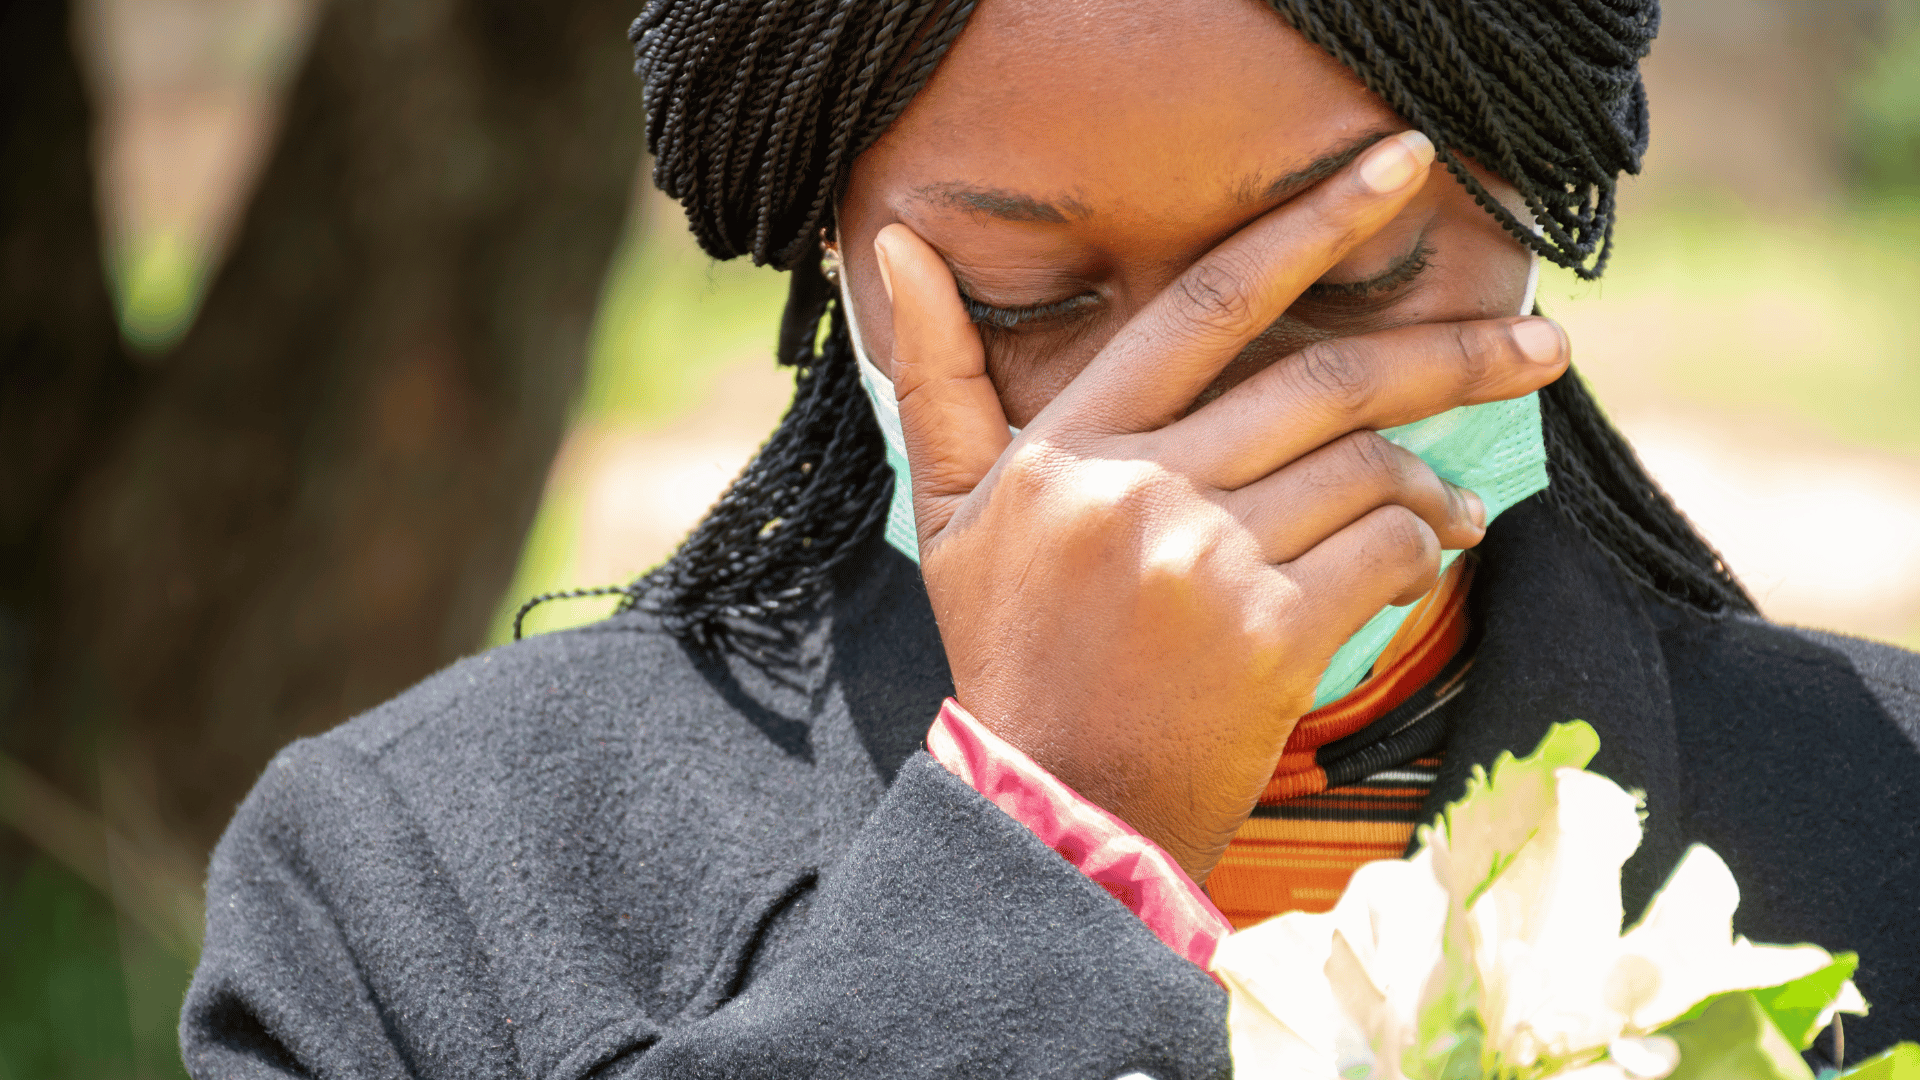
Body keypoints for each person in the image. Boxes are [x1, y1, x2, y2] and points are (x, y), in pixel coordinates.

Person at [181, 1, 1920, 1076]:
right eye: (1030, 299)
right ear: (835, 255)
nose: (1184, 431)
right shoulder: (412, 885)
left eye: (1352, 272)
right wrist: (1051, 830)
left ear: (1533, 189)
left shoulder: (1886, 819)